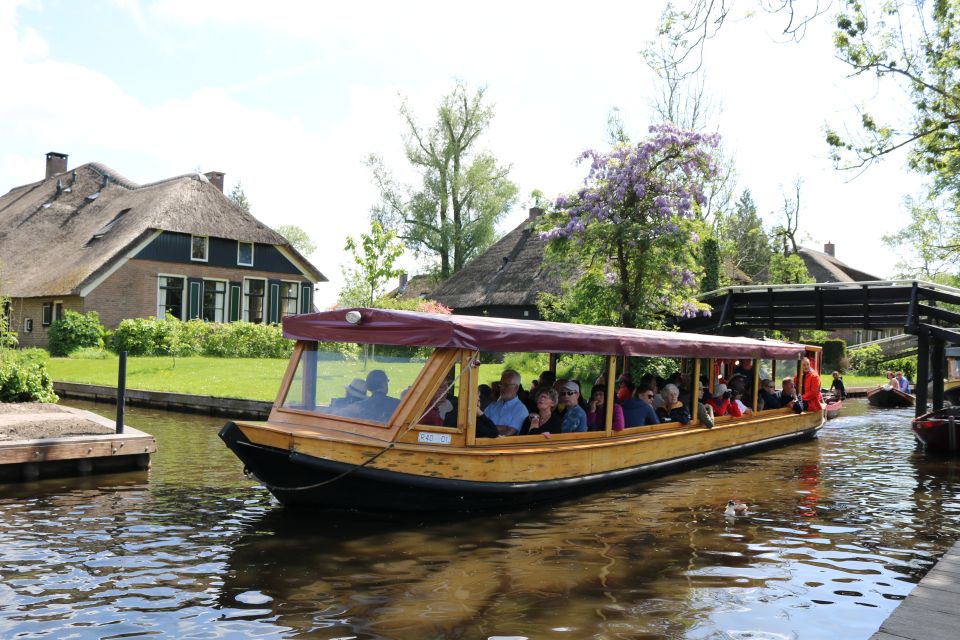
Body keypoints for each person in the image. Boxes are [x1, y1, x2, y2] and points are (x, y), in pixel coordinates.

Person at [484, 370, 529, 436]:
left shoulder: (521, 410)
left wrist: (489, 428)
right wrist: (503, 427)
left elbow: (509, 433)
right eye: (501, 384)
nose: (502, 388)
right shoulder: (492, 406)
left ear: (516, 388)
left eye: (506, 385)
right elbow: (480, 426)